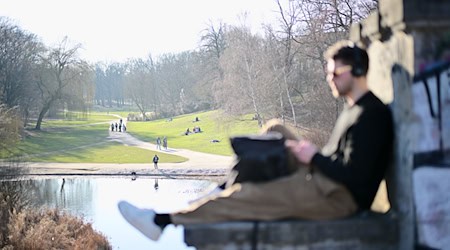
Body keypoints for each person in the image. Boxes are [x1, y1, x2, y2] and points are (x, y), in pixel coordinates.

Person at [117, 40, 394, 242]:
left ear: (357, 70)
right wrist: (304, 154)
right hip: (325, 179)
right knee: (276, 129)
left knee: (248, 196)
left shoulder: (371, 115)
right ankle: (222, 186)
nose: (330, 79)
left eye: (336, 73)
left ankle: (161, 221)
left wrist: (314, 157)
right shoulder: (353, 108)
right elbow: (341, 159)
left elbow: (356, 179)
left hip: (339, 199)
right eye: (328, 73)